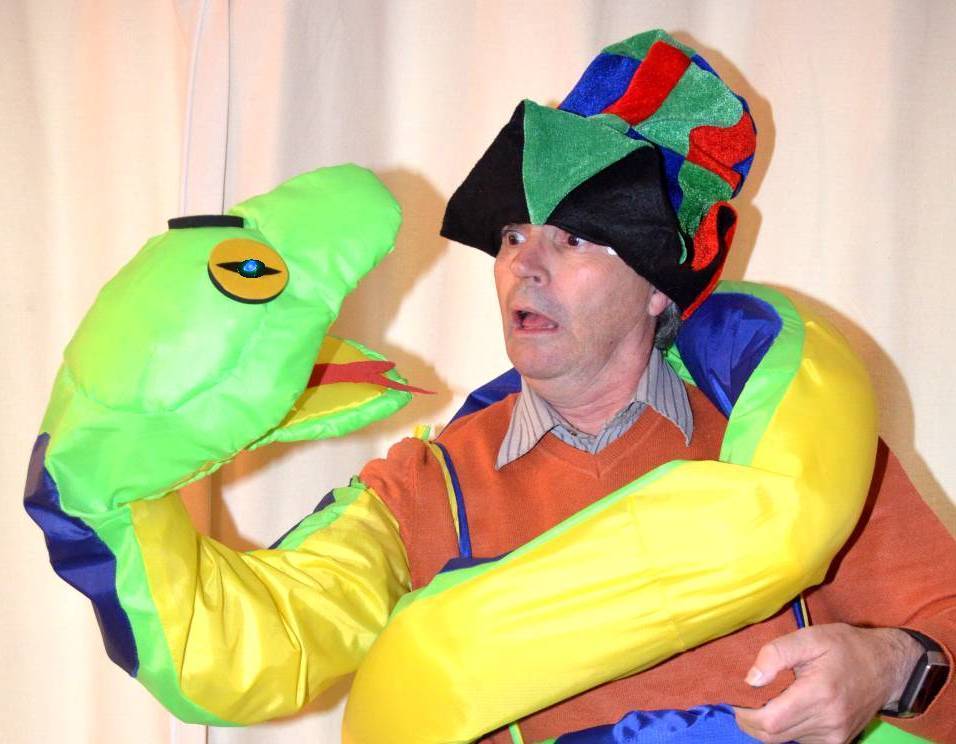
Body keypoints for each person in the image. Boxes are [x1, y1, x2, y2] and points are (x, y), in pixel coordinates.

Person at [25, 29, 955, 744]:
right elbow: (261, 635)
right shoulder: (429, 487)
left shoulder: (792, 443)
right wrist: (112, 476)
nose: (524, 267)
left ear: (657, 286)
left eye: (573, 238)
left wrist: (889, 666)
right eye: (513, 236)